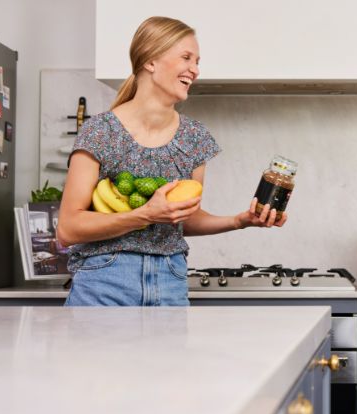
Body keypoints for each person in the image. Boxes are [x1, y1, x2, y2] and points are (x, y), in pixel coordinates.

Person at [57, 17, 286, 306]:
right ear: (151, 61)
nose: (195, 69)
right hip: (105, 281)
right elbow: (68, 228)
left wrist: (239, 221)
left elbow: (184, 218)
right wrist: (145, 215)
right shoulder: (101, 131)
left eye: (198, 61)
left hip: (170, 281)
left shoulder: (194, 137)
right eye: (186, 57)